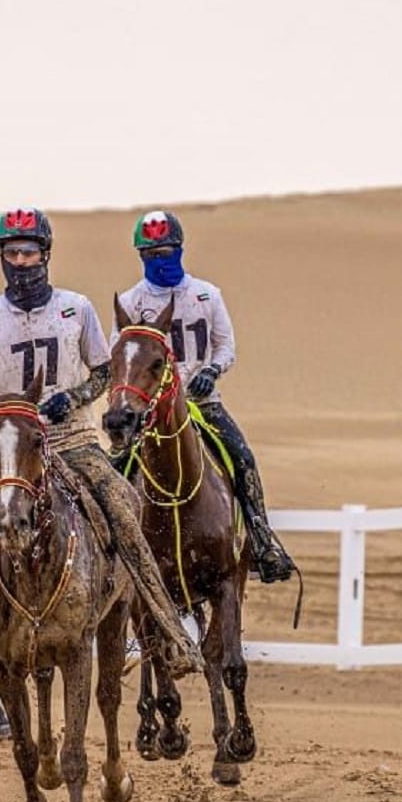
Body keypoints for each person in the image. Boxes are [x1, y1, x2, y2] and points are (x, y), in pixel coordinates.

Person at [0, 209, 204, 695]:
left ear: (46, 254)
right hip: (13, 451)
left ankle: (172, 637)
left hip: (73, 441)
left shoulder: (76, 307)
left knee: (126, 513)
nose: (21, 261)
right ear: (1, 256)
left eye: (29, 252)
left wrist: (76, 396)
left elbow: (106, 372)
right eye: (11, 252)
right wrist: (6, 411)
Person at [115, 210, 295, 584]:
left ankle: (263, 541)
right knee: (117, 468)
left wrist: (211, 371)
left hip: (203, 401)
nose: (158, 259)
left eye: (164, 251)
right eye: (149, 254)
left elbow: (225, 346)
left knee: (242, 457)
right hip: (150, 410)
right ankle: (112, 553)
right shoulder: (132, 301)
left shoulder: (206, 294)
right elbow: (121, 355)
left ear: (179, 249)